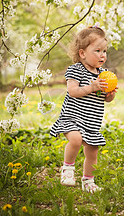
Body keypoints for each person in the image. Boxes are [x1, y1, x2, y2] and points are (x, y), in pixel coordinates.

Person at [50, 24, 117, 193]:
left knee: (92, 151)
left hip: (91, 122)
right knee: (75, 139)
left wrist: (110, 94)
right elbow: (72, 91)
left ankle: (88, 181)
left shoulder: (104, 74)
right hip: (72, 118)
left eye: (104, 51)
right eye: (97, 51)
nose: (102, 55)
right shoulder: (76, 70)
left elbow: (106, 99)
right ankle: (67, 169)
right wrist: (92, 87)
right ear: (82, 53)